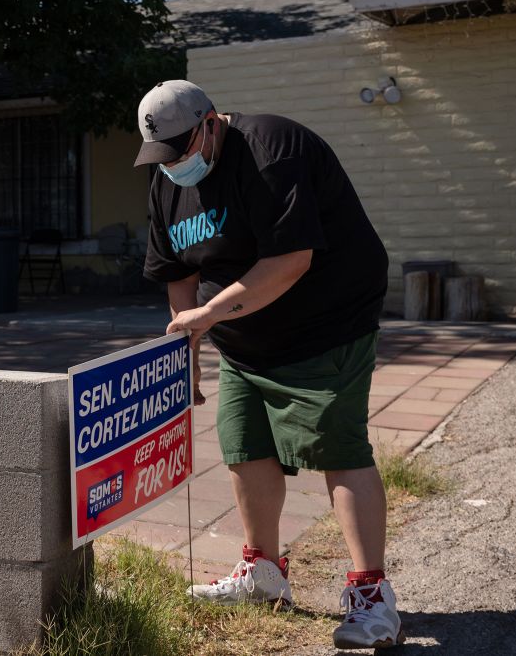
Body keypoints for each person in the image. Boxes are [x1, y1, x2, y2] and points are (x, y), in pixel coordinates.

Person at [133, 80, 402, 650]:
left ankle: (373, 595)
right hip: (243, 337)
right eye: (162, 157)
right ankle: (264, 574)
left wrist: (207, 314)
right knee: (243, 444)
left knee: (339, 448)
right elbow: (177, 273)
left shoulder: (272, 148)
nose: (174, 165)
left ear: (210, 124)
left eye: (181, 150)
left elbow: (289, 261)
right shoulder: (166, 180)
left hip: (326, 326)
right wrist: (192, 351)